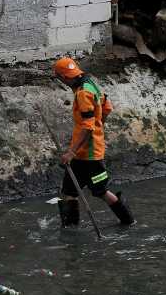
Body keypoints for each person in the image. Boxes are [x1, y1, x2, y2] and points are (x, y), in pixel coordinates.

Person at [52, 57, 133, 227]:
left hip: (87, 154)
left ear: (64, 77)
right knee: (70, 190)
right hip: (82, 151)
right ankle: (70, 228)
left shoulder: (83, 93)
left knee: (101, 191)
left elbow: (88, 127)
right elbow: (107, 107)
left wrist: (71, 152)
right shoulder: (90, 83)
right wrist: (98, 135)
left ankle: (129, 221)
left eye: (60, 79)